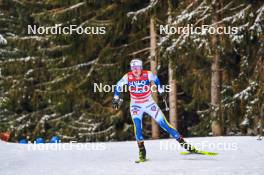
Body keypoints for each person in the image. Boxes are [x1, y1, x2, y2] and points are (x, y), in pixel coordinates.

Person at [112, 58, 197, 162]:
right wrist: (116, 98)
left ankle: (184, 144)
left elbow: (156, 79)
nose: (135, 70)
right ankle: (142, 151)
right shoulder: (127, 77)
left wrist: (161, 90)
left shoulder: (147, 74)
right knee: (138, 127)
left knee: (165, 124)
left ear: (141, 68)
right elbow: (118, 85)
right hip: (136, 105)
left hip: (149, 103)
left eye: (138, 68)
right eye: (133, 68)